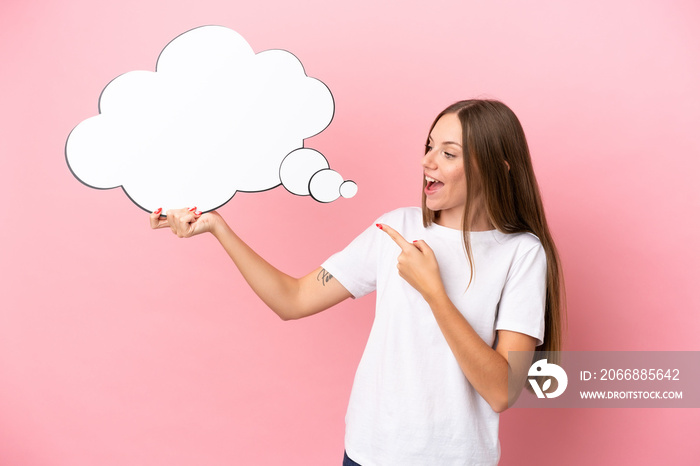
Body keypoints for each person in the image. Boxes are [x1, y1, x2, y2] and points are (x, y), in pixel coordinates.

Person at [150, 99, 565, 466]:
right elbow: (292, 299)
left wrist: (434, 293)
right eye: (429, 146)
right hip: (367, 455)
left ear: (497, 167)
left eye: (448, 153)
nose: (427, 161)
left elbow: (502, 392)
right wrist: (219, 229)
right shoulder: (393, 230)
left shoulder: (522, 253)